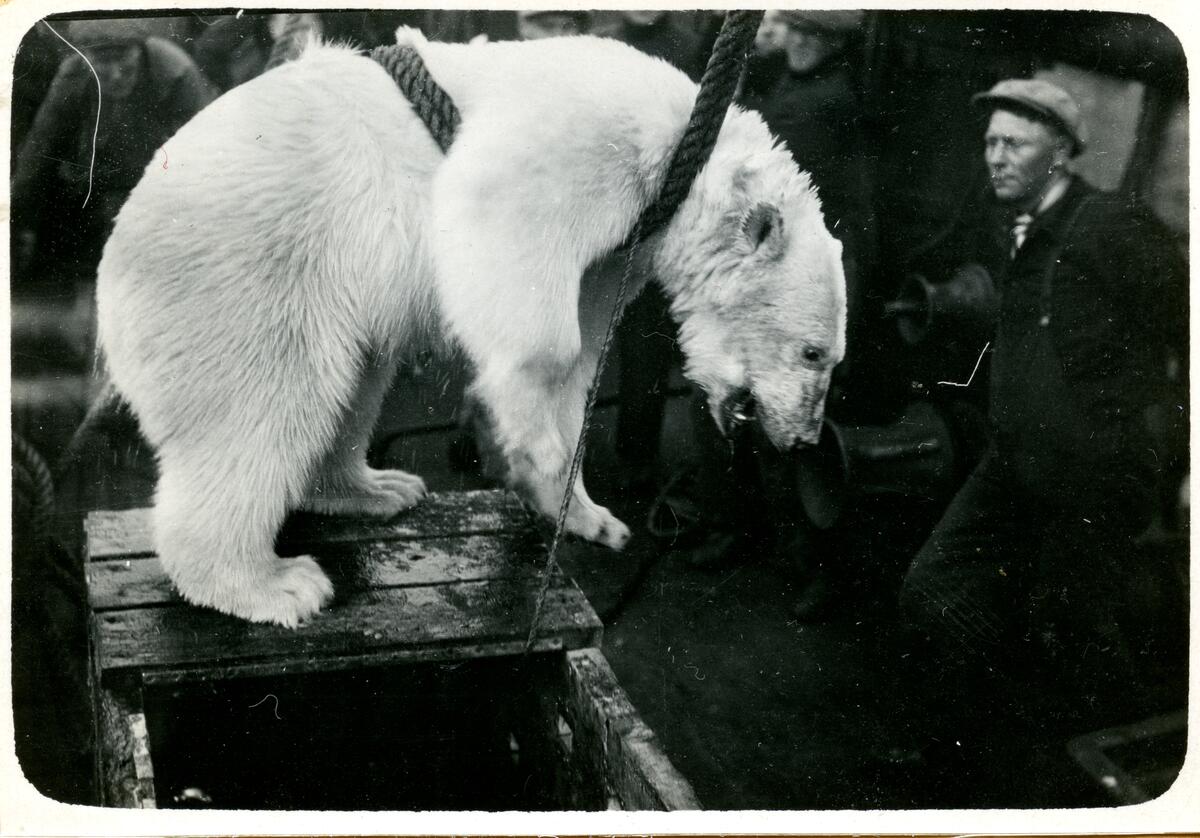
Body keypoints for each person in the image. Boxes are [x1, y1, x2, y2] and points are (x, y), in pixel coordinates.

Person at [888, 78, 1188, 805]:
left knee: (1075, 640)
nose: (994, 158)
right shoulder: (1018, 230)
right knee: (932, 587)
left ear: (1060, 153)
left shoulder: (1110, 223)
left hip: (1093, 474)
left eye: (1014, 144)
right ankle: (961, 762)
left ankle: (1080, 794)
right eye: (990, 142)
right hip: (1014, 464)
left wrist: (1177, 453)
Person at [11, 17, 217, 291]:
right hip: (96, 196)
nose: (117, 74)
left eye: (124, 60)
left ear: (139, 50)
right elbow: (37, 157)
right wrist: (15, 223)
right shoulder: (73, 77)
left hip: (164, 199)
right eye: (103, 64)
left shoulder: (174, 72)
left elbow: (214, 152)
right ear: (86, 58)